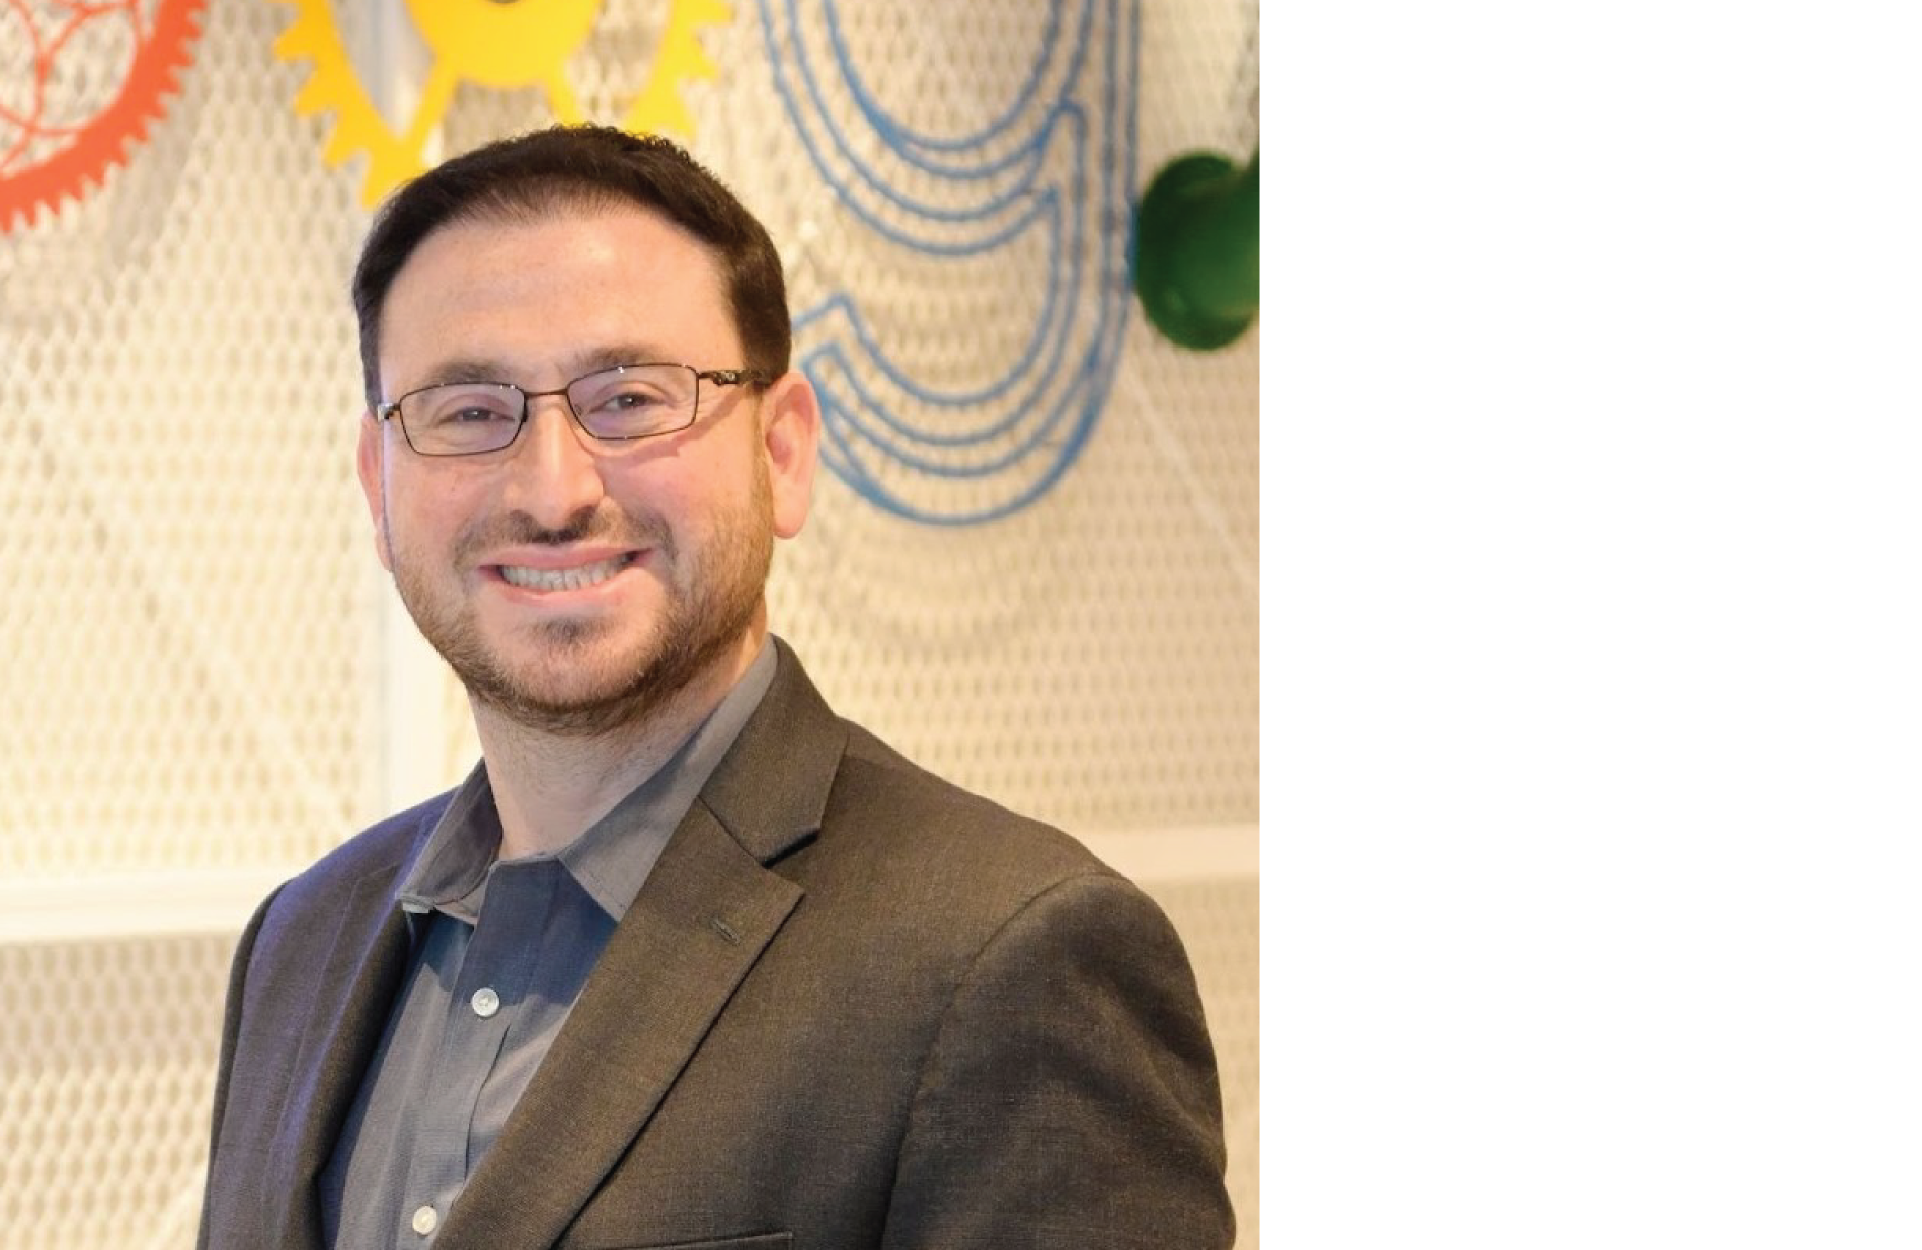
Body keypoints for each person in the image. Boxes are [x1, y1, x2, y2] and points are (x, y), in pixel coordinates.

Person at [196, 124, 1233, 1249]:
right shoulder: (300, 943)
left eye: (631, 398)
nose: (552, 490)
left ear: (781, 452)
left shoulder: (1012, 958)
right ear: (378, 485)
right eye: (469, 412)